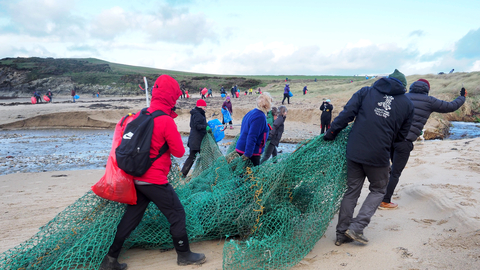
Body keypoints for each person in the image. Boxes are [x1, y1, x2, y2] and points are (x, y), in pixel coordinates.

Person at [100, 75, 206, 270]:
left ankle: (110, 259)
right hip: (154, 180)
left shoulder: (141, 115)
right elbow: (179, 152)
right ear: (171, 96)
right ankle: (184, 255)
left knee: (131, 218)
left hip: (135, 177)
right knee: (177, 213)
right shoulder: (165, 120)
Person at [323, 69, 414, 246]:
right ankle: (357, 228)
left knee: (352, 191)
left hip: (355, 150)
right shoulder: (407, 104)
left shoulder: (366, 91)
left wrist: (331, 132)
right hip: (379, 154)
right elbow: (402, 135)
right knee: (379, 190)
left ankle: (341, 234)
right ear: (403, 86)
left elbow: (347, 114)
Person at [379, 79, 466, 209]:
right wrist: (462, 97)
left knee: (389, 169)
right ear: (427, 89)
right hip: (405, 142)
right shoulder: (429, 101)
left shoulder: (402, 97)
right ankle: (384, 201)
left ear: (412, 87)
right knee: (395, 172)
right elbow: (451, 106)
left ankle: (378, 195)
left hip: (389, 138)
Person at [235, 92, 272, 166]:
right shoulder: (260, 117)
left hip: (241, 148)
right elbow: (252, 136)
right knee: (251, 176)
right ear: (267, 105)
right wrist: (248, 154)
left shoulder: (251, 112)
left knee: (241, 175)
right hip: (250, 153)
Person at [181, 99, 208, 178]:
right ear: (200, 106)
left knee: (192, 157)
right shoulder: (198, 114)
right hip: (197, 141)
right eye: (204, 107)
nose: (205, 108)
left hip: (194, 139)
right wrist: (206, 127)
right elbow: (197, 126)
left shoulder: (195, 113)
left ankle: (183, 174)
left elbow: (192, 125)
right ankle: (206, 173)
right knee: (204, 157)